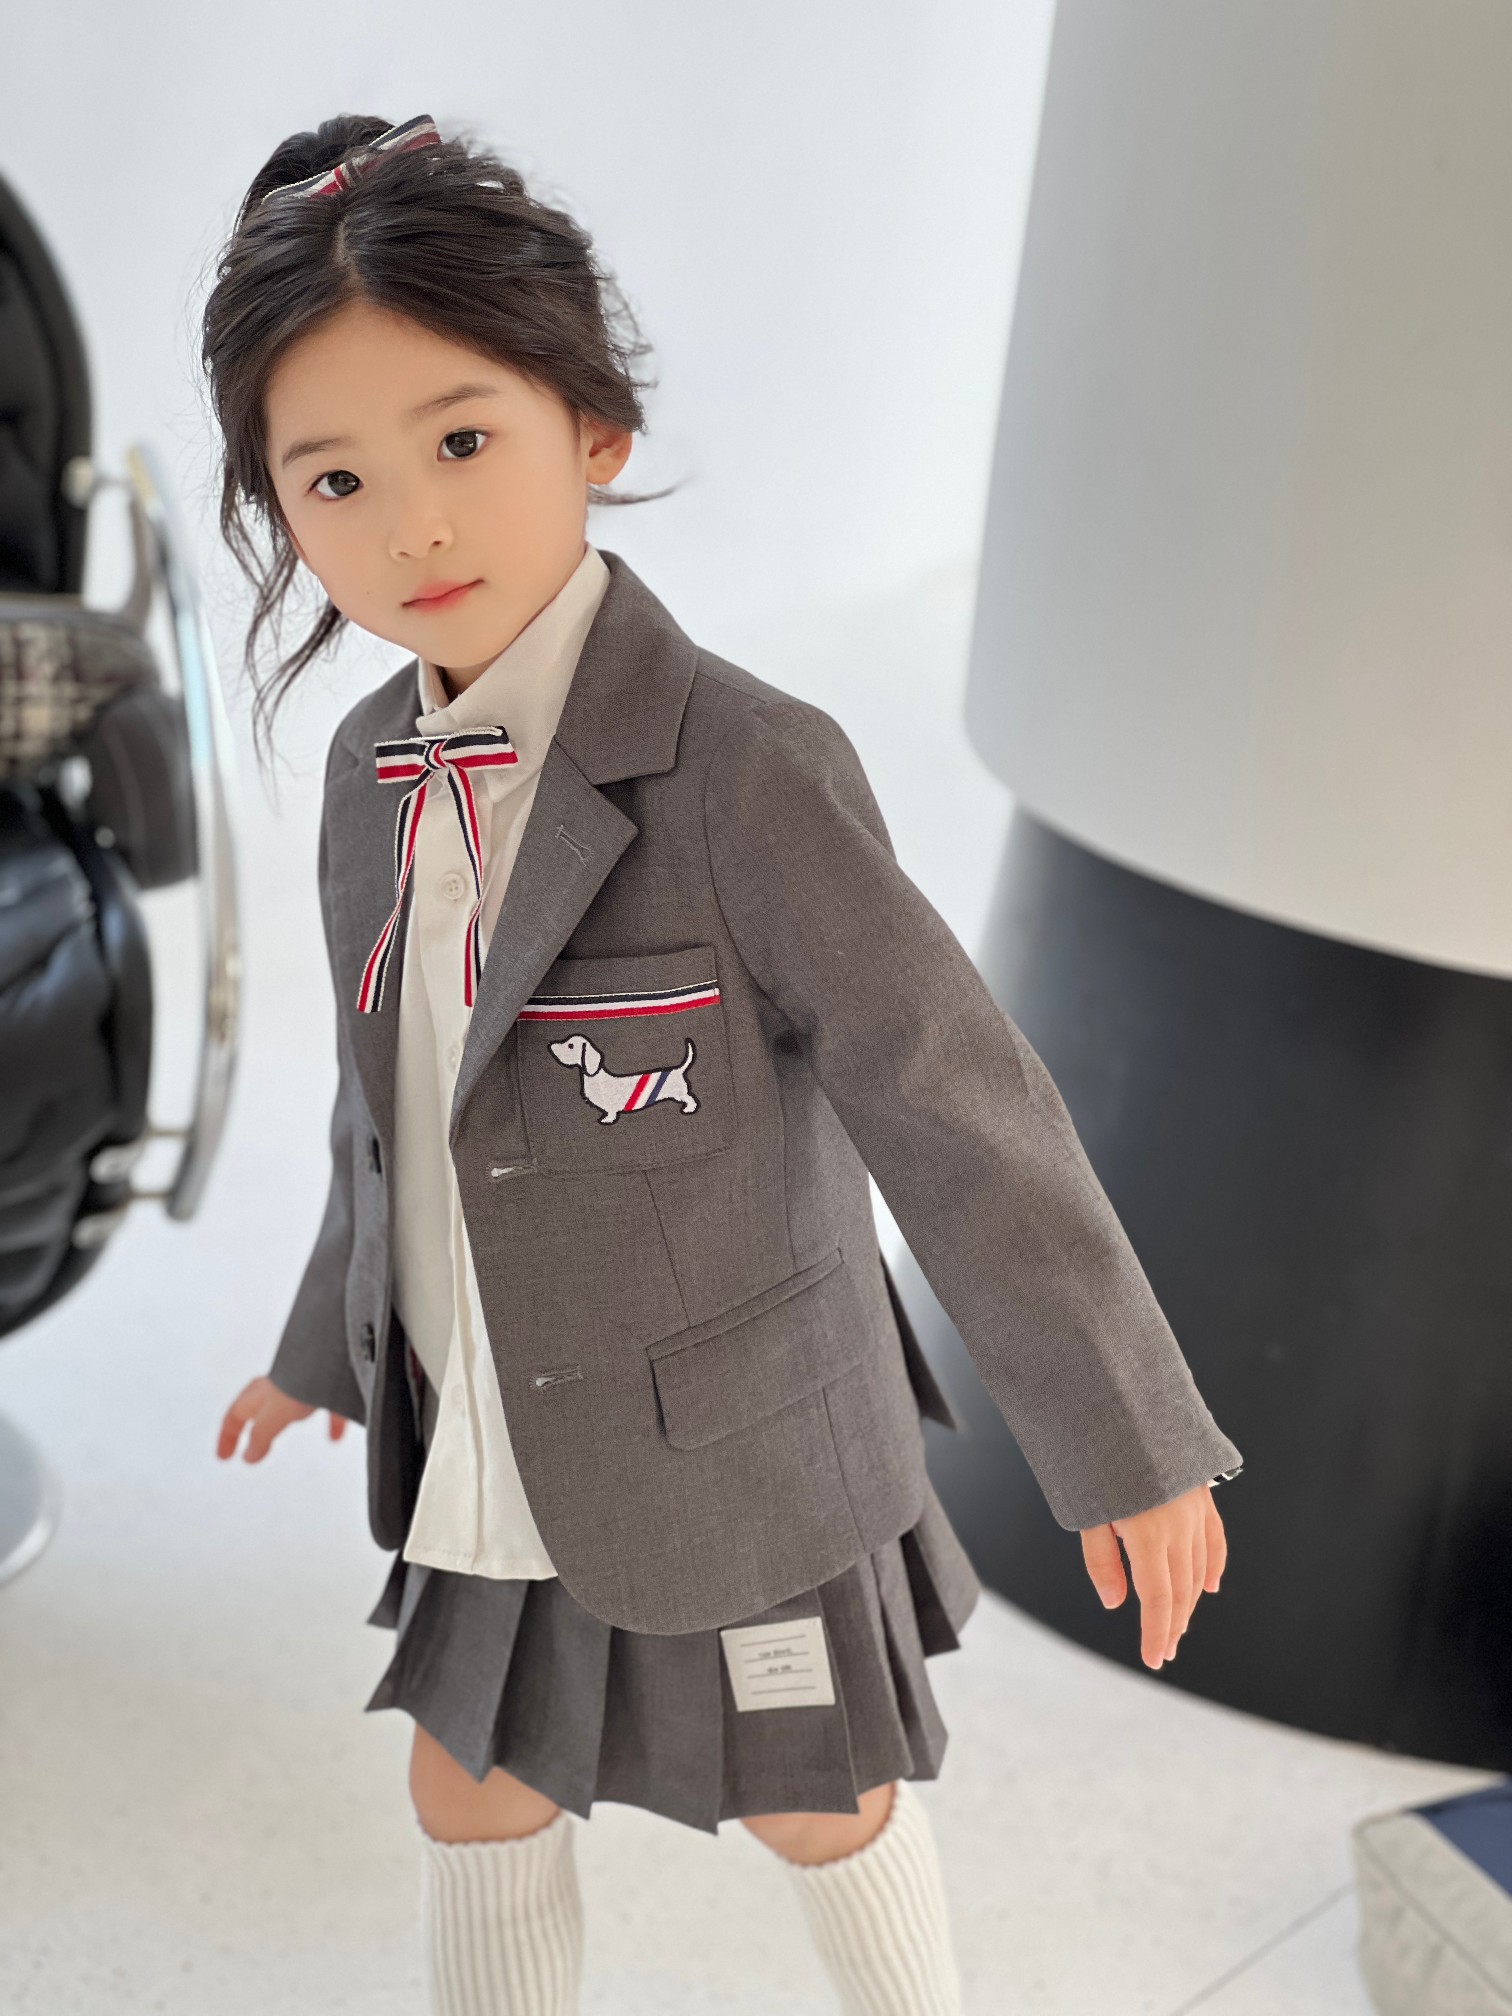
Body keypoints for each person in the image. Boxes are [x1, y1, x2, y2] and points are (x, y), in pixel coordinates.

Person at [208, 114, 1243, 2016]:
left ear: (594, 428)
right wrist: (321, 1349)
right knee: (470, 1788)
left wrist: (1127, 1439)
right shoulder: (370, 776)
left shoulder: (748, 769)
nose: (409, 525)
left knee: (820, 1799)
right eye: (333, 480)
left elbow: (957, 1106)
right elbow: (396, 1113)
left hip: (737, 1445)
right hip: (488, 1417)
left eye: (461, 443)